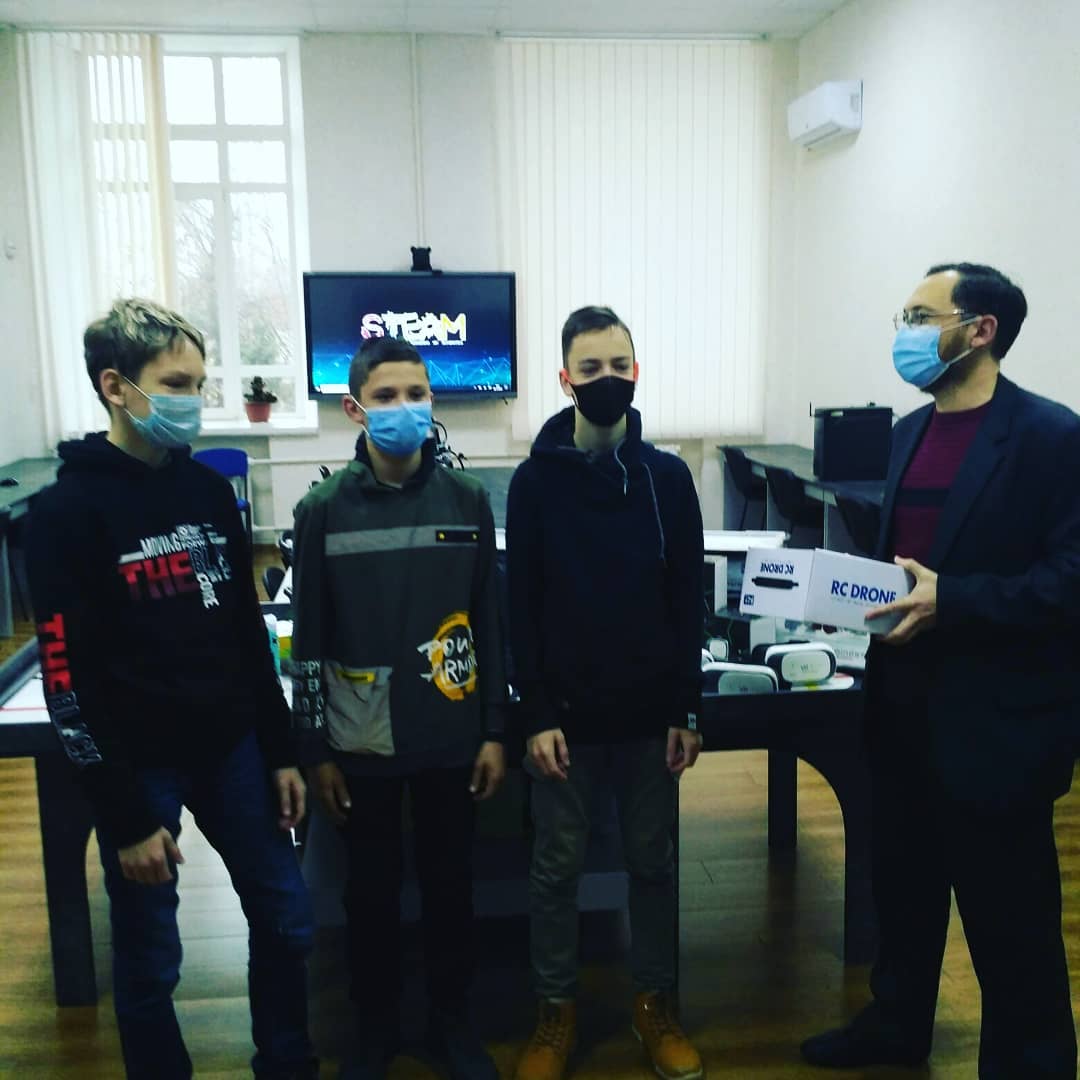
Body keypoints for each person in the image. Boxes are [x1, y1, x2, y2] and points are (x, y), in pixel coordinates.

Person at [26, 298, 317, 1079]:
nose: (194, 400)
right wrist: (124, 816)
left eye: (199, 382)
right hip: (140, 767)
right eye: (176, 383)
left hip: (234, 751)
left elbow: (245, 635)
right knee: (151, 959)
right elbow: (66, 678)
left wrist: (281, 750)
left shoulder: (208, 493)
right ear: (115, 386)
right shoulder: (63, 515)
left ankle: (287, 1062)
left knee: (288, 919)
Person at [801, 263, 1079, 1078]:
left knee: (1012, 923)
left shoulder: (1052, 437)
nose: (905, 332)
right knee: (904, 889)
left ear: (980, 330)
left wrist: (951, 599)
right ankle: (897, 1024)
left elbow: (1070, 580)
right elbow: (906, 563)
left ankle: (1030, 1063)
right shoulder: (907, 433)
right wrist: (847, 596)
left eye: (921, 317)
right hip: (899, 707)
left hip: (997, 724)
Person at [290, 335, 507, 1080]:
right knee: (371, 895)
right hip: (361, 740)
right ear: (355, 410)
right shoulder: (322, 509)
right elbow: (307, 639)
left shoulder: (467, 500)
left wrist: (494, 730)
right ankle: (374, 1031)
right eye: (385, 397)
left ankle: (451, 1024)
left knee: (451, 889)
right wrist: (314, 749)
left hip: (452, 730)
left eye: (416, 394)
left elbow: (489, 621)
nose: (404, 408)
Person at [507, 306, 706, 1080]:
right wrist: (534, 714)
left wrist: (687, 707)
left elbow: (686, 598)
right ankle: (554, 1012)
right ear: (566, 379)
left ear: (636, 371)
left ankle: (655, 1005)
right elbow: (520, 606)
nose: (607, 380)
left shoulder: (668, 479)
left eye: (619, 366)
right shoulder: (534, 483)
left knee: (653, 864)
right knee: (556, 871)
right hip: (564, 722)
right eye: (590, 369)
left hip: (651, 719)